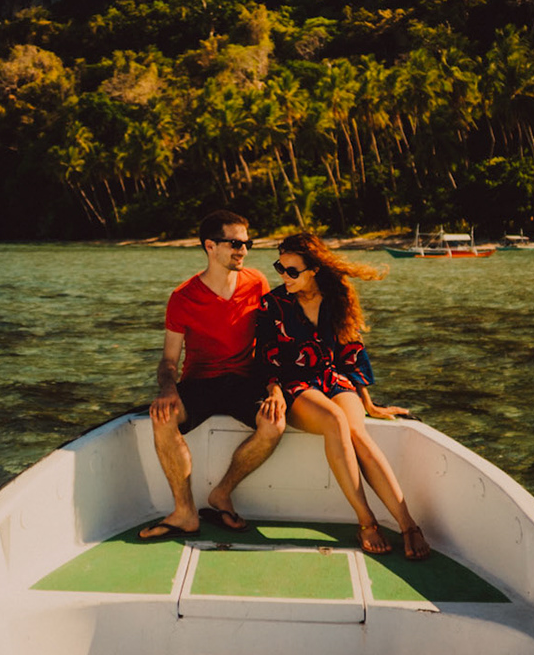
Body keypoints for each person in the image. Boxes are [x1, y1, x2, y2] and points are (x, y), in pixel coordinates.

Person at [257, 232, 431, 560]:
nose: (283, 276)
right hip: (295, 385)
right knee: (336, 421)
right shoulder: (274, 303)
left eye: (292, 271)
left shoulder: (337, 297)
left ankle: (408, 525)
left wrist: (368, 403)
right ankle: (366, 521)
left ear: (314, 270)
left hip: (333, 380)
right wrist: (274, 389)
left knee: (358, 434)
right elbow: (264, 354)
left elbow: (352, 350)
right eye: (280, 267)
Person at [139, 210, 285, 539]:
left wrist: (275, 388)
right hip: (200, 382)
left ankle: (222, 493)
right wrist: (168, 389)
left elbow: (271, 344)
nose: (243, 250)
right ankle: (185, 513)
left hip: (245, 381)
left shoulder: (257, 283)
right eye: (235, 243)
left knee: (274, 424)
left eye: (248, 243)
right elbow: (168, 361)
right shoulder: (183, 297)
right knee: (163, 418)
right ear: (210, 246)